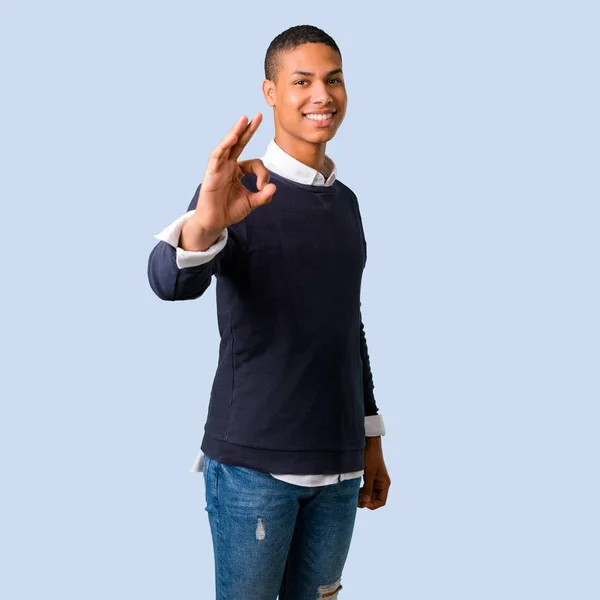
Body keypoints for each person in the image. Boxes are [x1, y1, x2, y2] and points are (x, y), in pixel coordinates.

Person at [148, 24, 391, 600]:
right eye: (301, 81)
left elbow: (345, 325)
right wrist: (207, 221)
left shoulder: (347, 203)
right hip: (255, 468)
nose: (321, 96)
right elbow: (168, 282)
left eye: (333, 80)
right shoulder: (238, 188)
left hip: (338, 467)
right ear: (270, 92)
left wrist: (371, 434)